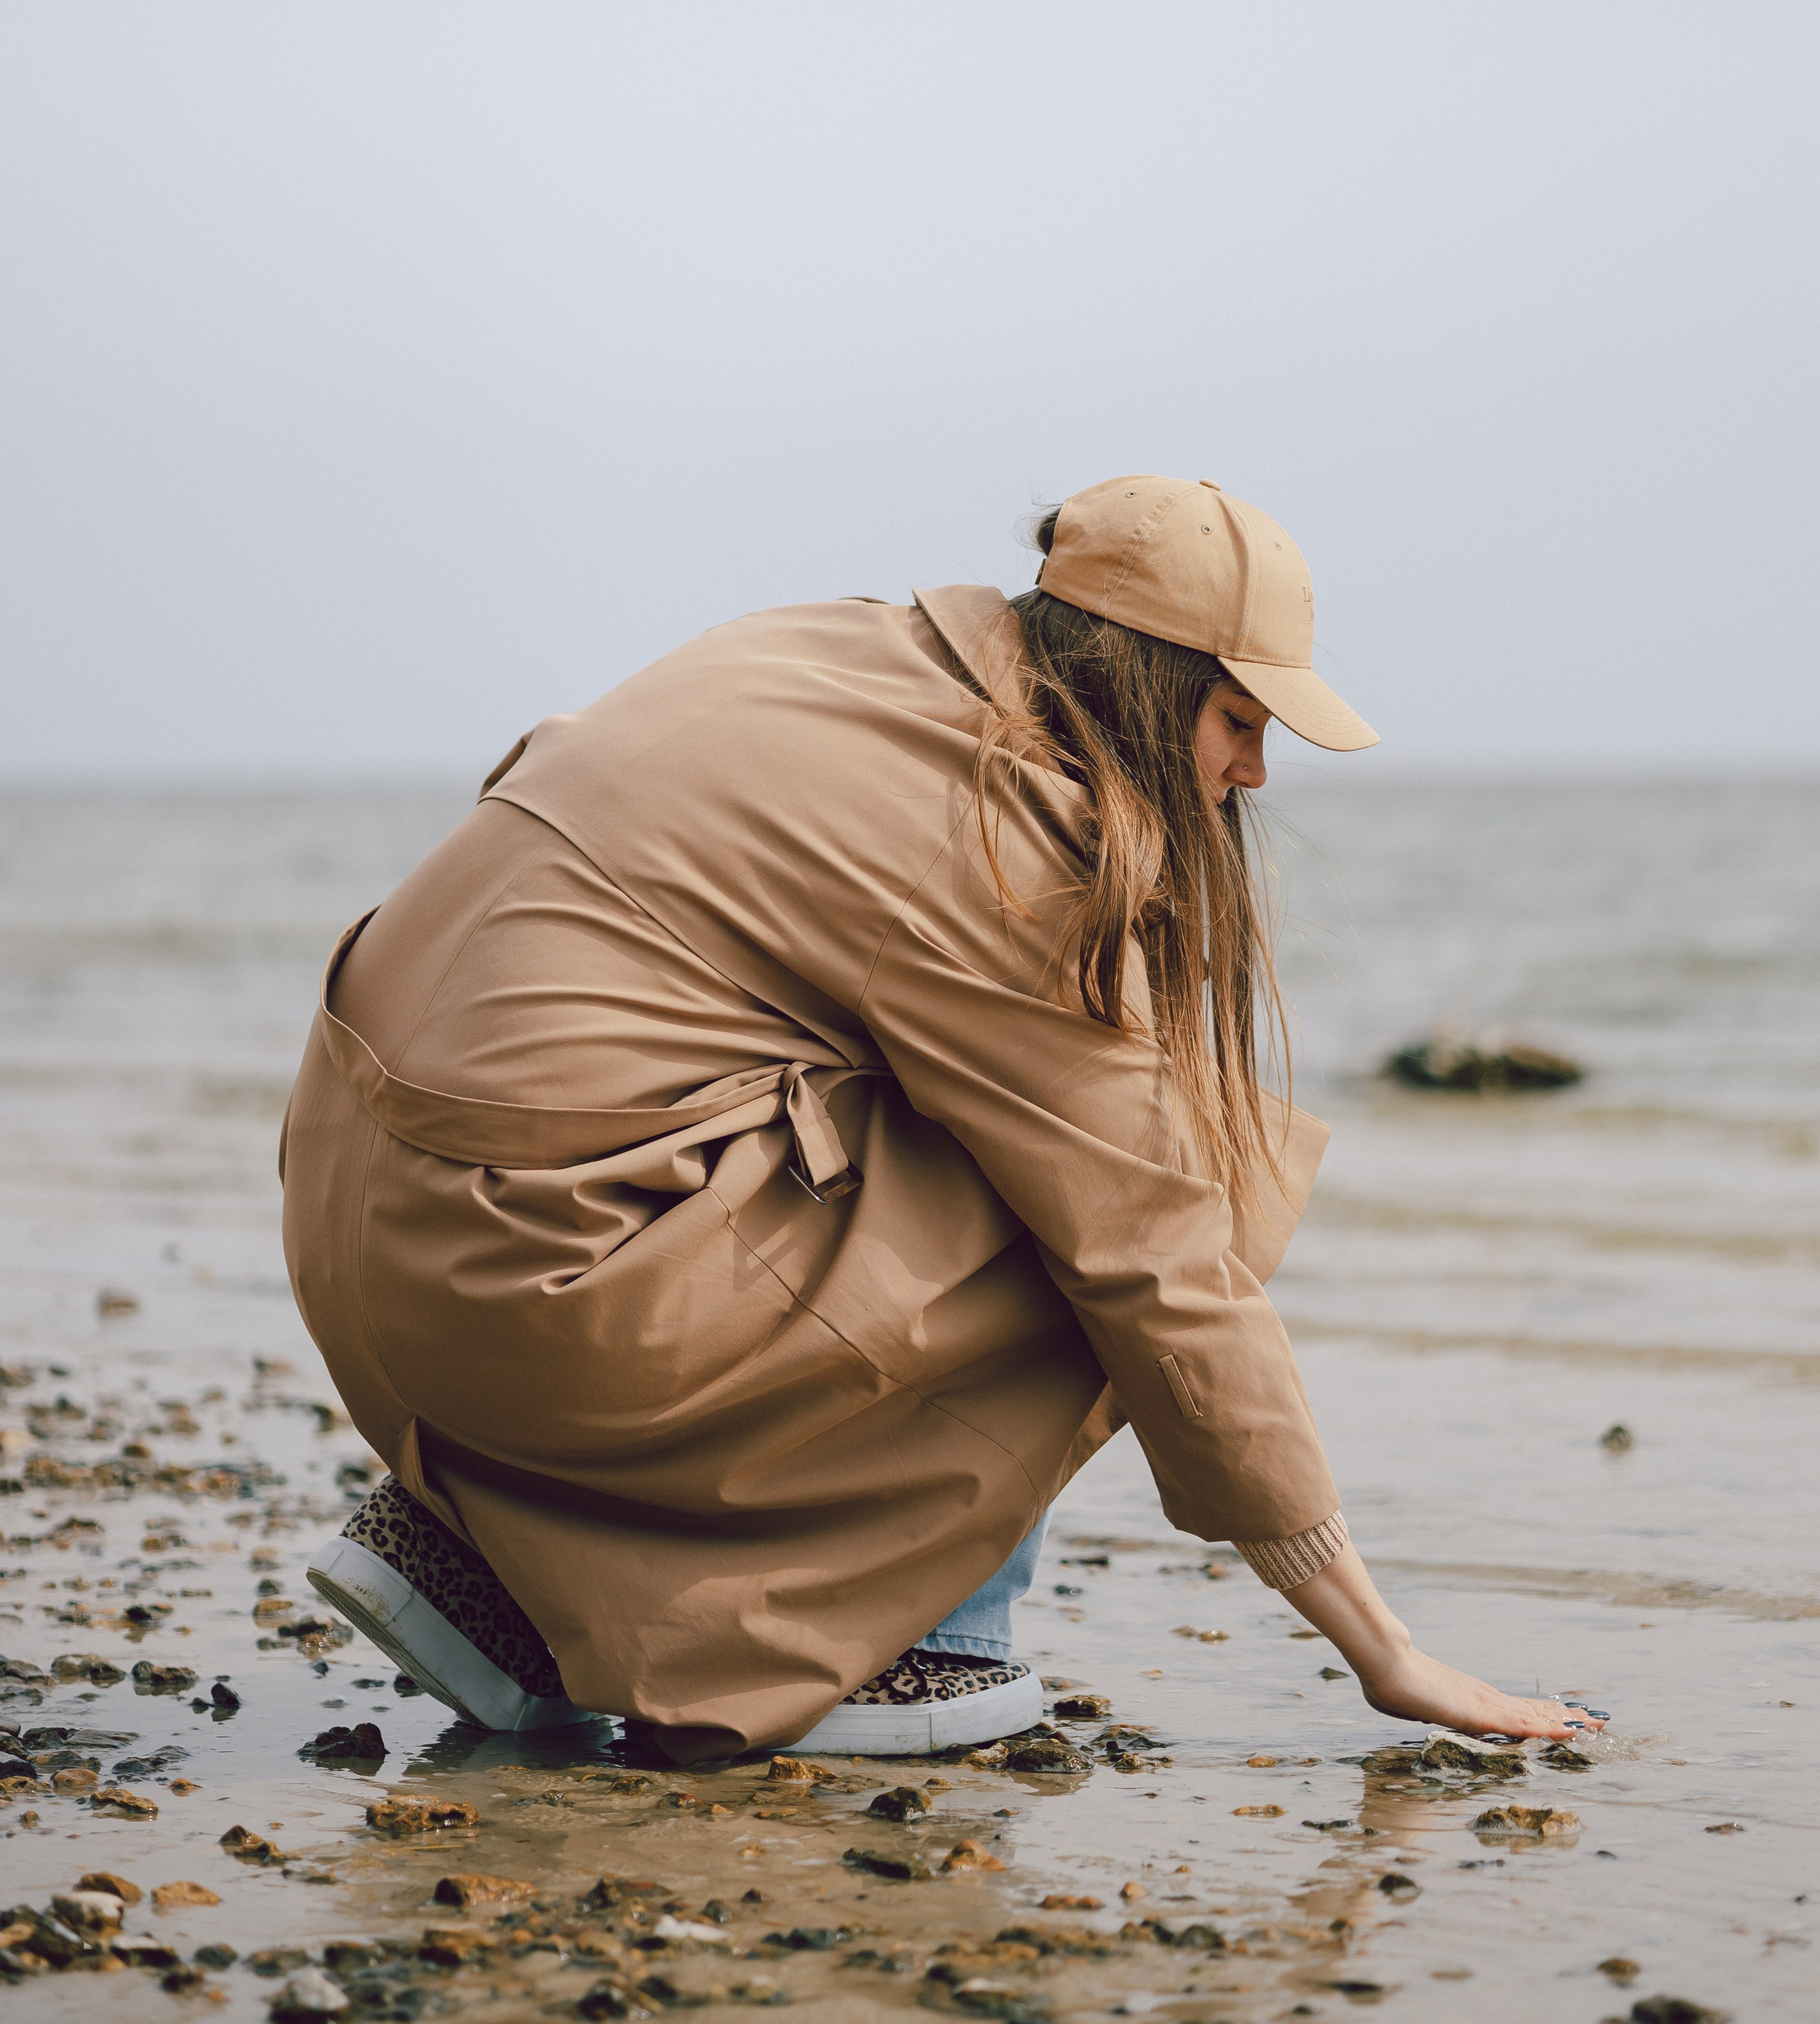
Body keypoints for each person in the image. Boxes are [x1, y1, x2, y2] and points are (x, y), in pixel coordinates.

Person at [281, 473, 1605, 1762]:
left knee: (973, 1123)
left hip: (369, 1223)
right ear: (1146, 685)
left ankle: (485, 1578)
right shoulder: (998, 832)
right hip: (534, 1288)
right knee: (1140, 1184)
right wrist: (1381, 1647)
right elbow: (1155, 1261)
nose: (1255, 773)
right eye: (1239, 720)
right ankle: (911, 1643)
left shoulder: (827, 649)